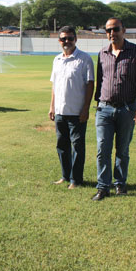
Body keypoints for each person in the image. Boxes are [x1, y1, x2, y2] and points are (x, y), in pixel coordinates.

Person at [92, 17, 136, 201]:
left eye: (115, 29)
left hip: (127, 109)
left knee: (122, 150)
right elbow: (100, 81)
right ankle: (103, 187)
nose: (111, 33)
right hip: (104, 109)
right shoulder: (102, 53)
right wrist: (97, 105)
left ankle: (120, 184)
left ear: (123, 30)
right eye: (108, 30)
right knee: (103, 149)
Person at [49, 26, 95, 189]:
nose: (66, 41)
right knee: (62, 145)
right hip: (60, 111)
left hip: (77, 112)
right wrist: (52, 106)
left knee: (77, 146)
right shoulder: (57, 60)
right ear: (59, 41)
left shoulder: (84, 59)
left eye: (69, 38)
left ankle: (76, 179)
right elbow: (55, 85)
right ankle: (65, 176)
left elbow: (90, 84)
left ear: (76, 39)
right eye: (63, 39)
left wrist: (85, 108)